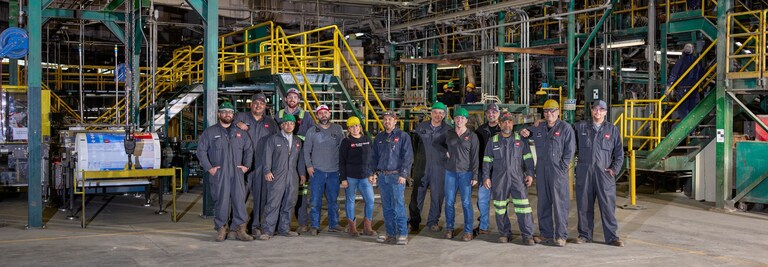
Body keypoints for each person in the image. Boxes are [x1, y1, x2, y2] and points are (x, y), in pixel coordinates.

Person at [520, 99, 576, 247]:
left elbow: (570, 151)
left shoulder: (565, 128)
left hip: (558, 172)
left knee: (560, 204)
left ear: (558, 112)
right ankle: (545, 234)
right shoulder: (539, 127)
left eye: (552, 111)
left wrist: (562, 168)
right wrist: (524, 131)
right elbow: (525, 133)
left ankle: (561, 235)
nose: (549, 114)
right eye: (546, 111)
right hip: (541, 170)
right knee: (543, 204)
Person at [196, 102, 254, 242]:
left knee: (239, 201)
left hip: (237, 173)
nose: (227, 114)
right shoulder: (210, 132)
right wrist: (209, 168)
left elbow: (249, 149)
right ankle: (221, 228)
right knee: (221, 201)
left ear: (233, 114)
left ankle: (240, 229)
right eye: (224, 112)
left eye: (230, 112)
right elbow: (201, 151)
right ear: (218, 114)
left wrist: (246, 166)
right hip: (220, 173)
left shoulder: (240, 132)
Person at [573, 100, 625, 247]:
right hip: (585, 173)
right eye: (595, 109)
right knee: (584, 205)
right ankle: (584, 235)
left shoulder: (612, 130)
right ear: (591, 110)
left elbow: (619, 154)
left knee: (608, 206)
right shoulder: (580, 127)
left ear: (605, 112)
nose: (598, 112)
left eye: (601, 110)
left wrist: (614, 169)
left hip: (604, 174)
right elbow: (563, 131)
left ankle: (612, 237)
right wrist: (539, 124)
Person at [483, 111, 536, 245]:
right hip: (499, 179)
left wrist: (530, 174)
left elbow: (528, 159)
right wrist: (486, 177)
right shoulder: (493, 141)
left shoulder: (521, 140)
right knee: (500, 207)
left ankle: (527, 235)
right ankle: (504, 233)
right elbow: (487, 160)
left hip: (518, 178)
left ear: (513, 124)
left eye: (510, 122)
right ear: (500, 124)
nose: (507, 124)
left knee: (523, 207)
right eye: (504, 122)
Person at [234, 93, 278, 237]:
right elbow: (225, 123)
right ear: (250, 104)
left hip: (261, 165)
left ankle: (255, 225)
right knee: (239, 196)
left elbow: (277, 142)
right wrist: (236, 124)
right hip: (243, 164)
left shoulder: (270, 123)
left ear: (265, 106)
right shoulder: (241, 117)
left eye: (261, 103)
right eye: (255, 103)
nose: (258, 106)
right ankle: (235, 226)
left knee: (260, 197)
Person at [370, 111, 414, 245]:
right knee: (387, 206)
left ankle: (402, 233)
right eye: (385, 119)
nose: (387, 121)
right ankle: (390, 233)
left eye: (390, 119)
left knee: (398, 205)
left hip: (396, 176)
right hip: (383, 176)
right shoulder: (379, 138)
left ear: (395, 121)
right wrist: (372, 173)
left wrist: (403, 174)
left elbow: (408, 157)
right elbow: (373, 157)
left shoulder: (403, 136)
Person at [259, 113, 305, 240]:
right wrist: (267, 171)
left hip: (292, 176)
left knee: (289, 203)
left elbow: (300, 159)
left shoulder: (297, 141)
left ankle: (284, 229)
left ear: (294, 126)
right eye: (287, 123)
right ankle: (267, 230)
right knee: (273, 203)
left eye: (292, 124)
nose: (289, 126)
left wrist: (302, 173)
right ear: (282, 125)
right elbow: (266, 156)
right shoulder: (273, 139)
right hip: (277, 175)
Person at [276, 88, 315, 233]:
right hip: (282, 158)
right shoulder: (279, 114)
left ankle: (302, 222)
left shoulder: (306, 116)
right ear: (286, 99)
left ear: (299, 100)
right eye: (290, 97)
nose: (292, 99)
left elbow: (311, 136)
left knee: (301, 190)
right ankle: (280, 223)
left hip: (300, 157)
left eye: (295, 97)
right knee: (281, 191)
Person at [304, 105, 345, 236]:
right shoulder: (311, 131)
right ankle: (315, 225)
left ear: (329, 114)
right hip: (317, 171)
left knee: (333, 200)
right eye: (320, 113)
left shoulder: (338, 129)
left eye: (325, 113)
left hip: (334, 171)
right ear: (317, 116)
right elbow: (306, 150)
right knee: (315, 200)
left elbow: (343, 150)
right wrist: (309, 166)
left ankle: (334, 224)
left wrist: (341, 169)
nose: (323, 115)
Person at [409, 102, 450, 232]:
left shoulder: (449, 130)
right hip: (421, 168)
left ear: (444, 115)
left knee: (437, 196)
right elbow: (414, 146)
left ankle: (433, 221)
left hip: (439, 168)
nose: (438, 115)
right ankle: (414, 222)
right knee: (416, 196)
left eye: (440, 113)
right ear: (431, 113)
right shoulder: (420, 127)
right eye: (435, 112)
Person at [440, 108, 479, 241]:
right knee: (449, 202)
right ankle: (449, 229)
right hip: (450, 172)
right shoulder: (449, 133)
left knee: (466, 202)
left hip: (466, 173)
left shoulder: (472, 136)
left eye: (462, 118)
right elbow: (438, 144)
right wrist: (445, 151)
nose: (459, 120)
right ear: (454, 119)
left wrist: (475, 176)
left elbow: (475, 157)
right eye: (457, 117)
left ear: (466, 120)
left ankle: (468, 231)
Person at [339, 116, 377, 236]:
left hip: (365, 176)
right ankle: (352, 228)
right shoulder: (346, 142)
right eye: (351, 127)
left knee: (370, 200)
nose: (355, 128)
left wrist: (373, 173)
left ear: (360, 127)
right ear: (348, 129)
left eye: (356, 126)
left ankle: (367, 227)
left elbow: (372, 158)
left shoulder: (367, 139)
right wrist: (343, 178)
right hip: (351, 177)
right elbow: (342, 161)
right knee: (350, 201)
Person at [474, 103, 501, 236]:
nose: (491, 114)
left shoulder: (504, 129)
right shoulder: (480, 130)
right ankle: (483, 226)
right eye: (489, 112)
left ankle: (503, 227)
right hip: (483, 170)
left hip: (500, 171)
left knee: (501, 201)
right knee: (482, 199)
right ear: (486, 115)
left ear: (498, 114)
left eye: (494, 112)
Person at [667, 43, 704, 119]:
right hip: (694, 89)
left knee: (683, 112)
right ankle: (693, 130)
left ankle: (686, 129)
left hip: (683, 89)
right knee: (693, 113)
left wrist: (668, 87)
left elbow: (673, 74)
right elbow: (701, 74)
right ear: (693, 50)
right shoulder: (697, 61)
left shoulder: (681, 61)